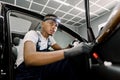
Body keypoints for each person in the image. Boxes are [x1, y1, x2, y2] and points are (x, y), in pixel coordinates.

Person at [15, 14, 94, 80]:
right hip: (25, 72)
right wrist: (68, 52)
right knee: (66, 64)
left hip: (40, 68)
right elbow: (30, 59)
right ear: (42, 24)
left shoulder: (50, 38)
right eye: (51, 23)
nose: (54, 27)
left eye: (56, 25)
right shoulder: (33, 34)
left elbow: (60, 50)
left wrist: (71, 46)